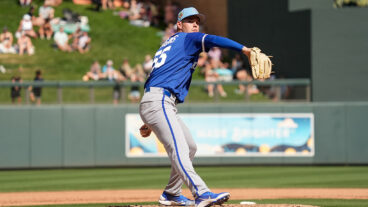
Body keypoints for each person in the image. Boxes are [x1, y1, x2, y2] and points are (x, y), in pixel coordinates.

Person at [139, 7, 254, 207]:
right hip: (159, 101)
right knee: (180, 148)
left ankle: (171, 193)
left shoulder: (170, 43)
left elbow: (158, 77)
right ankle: (202, 193)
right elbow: (215, 40)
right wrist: (244, 49)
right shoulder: (186, 39)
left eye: (197, 21)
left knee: (190, 147)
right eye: (190, 20)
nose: (194, 24)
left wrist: (150, 120)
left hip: (159, 101)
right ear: (179, 25)